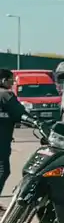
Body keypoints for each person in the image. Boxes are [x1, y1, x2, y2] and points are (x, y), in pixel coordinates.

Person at [0, 69, 33, 197]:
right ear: (3, 80)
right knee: (3, 171)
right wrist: (37, 123)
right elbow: (21, 113)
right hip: (2, 140)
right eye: (11, 80)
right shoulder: (6, 95)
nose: (13, 83)